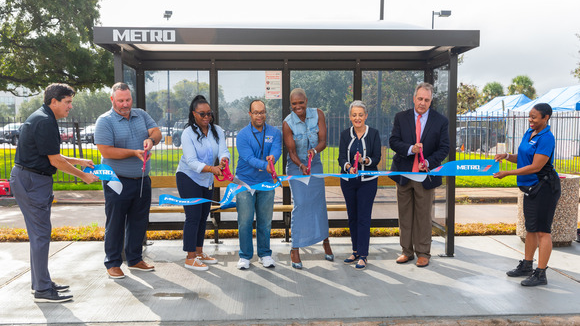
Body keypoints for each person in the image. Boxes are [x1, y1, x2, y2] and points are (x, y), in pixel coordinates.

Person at [10, 83, 100, 302]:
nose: (70, 107)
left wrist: (78, 161)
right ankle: (42, 289)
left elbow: (50, 154)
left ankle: (40, 282)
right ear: (54, 101)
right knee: (41, 235)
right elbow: (55, 160)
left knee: (38, 235)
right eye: (67, 102)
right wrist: (83, 175)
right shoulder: (44, 121)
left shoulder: (43, 117)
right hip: (32, 181)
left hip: (30, 179)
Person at [95, 82, 162, 279]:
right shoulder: (105, 121)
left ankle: (134, 259)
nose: (125, 104)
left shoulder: (140, 114)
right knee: (115, 222)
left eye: (128, 99)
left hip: (141, 179)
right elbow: (106, 151)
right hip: (116, 180)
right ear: (112, 100)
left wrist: (151, 140)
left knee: (138, 220)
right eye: (121, 100)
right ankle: (113, 262)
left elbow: (157, 132)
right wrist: (134, 152)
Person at [493, 103, 560, 287]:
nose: (530, 120)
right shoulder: (529, 133)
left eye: (534, 117)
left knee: (542, 231)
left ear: (546, 118)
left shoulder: (546, 138)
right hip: (531, 188)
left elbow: (535, 166)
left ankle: (541, 273)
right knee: (531, 228)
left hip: (544, 187)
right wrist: (507, 156)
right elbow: (523, 157)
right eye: (529, 116)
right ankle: (527, 265)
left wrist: (507, 173)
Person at [389, 82, 449, 268]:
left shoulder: (440, 121)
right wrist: (410, 149)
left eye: (427, 100)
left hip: (425, 176)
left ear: (431, 101)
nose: (423, 103)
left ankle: (423, 253)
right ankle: (406, 251)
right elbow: (393, 141)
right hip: (404, 174)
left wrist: (429, 162)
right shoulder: (401, 117)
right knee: (405, 215)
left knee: (423, 216)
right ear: (414, 98)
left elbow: (444, 147)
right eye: (420, 98)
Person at [176, 95, 229, 271]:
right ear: (194, 114)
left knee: (202, 216)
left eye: (209, 113)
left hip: (206, 179)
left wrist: (223, 161)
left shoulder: (217, 130)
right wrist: (212, 169)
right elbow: (191, 161)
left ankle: (199, 252)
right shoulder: (188, 133)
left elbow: (223, 150)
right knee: (192, 216)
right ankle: (190, 257)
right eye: (202, 114)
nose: (207, 117)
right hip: (188, 177)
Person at [283, 88, 334, 269]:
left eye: (301, 103)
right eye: (294, 104)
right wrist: (301, 165)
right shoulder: (287, 123)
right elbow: (291, 151)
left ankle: (325, 241)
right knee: (301, 204)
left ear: (306, 100)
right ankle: (295, 248)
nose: (298, 107)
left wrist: (314, 151)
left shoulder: (318, 114)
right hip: (296, 166)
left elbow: (323, 141)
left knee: (319, 202)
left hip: (316, 163)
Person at [235, 100, 282, 270]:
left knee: (265, 221)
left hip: (266, 183)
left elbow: (277, 149)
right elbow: (248, 158)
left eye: (262, 112)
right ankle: (245, 256)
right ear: (250, 114)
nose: (259, 115)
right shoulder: (242, 135)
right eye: (256, 112)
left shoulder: (274, 132)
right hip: (244, 182)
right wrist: (266, 166)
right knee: (245, 221)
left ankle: (265, 254)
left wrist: (273, 158)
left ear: (265, 113)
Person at [338, 100, 381, 270]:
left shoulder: (374, 134)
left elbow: (377, 157)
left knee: (363, 217)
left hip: (367, 182)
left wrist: (366, 161)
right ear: (350, 117)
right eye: (354, 115)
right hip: (348, 182)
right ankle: (355, 250)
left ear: (366, 116)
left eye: (360, 115)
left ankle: (363, 255)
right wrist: (347, 166)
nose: (357, 118)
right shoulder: (344, 134)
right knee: (352, 217)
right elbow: (341, 157)